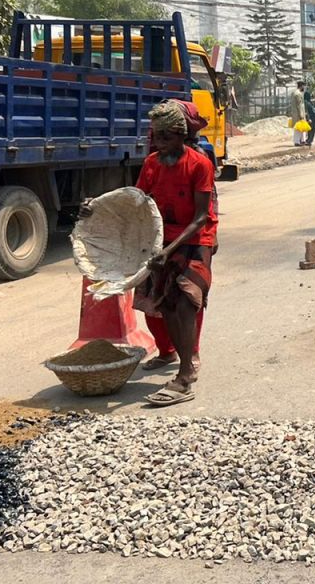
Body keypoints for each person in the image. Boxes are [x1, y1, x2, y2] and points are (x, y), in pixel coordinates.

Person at [134, 100, 219, 407]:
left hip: (196, 238)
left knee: (186, 300)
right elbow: (139, 201)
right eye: (156, 137)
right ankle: (178, 358)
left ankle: (185, 375)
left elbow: (200, 217)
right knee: (165, 303)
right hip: (163, 239)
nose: (159, 144)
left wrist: (168, 250)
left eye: (166, 138)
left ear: (181, 136)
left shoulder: (199, 164)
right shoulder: (152, 164)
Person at [300, 81, 315, 146]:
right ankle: (309, 140)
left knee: (311, 130)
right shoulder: (306, 103)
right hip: (311, 118)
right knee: (311, 130)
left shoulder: (308, 102)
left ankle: (309, 140)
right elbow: (307, 111)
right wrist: (309, 118)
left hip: (312, 117)